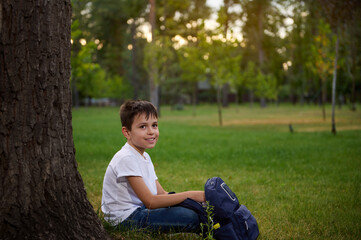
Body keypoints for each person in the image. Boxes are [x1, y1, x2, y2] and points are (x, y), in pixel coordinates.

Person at [101, 100, 205, 233]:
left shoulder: (145, 157)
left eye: (154, 125)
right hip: (125, 219)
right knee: (189, 217)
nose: (151, 132)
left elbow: (161, 194)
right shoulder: (126, 158)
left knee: (190, 209)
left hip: (141, 209)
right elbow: (151, 201)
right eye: (143, 127)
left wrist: (192, 202)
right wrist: (190, 194)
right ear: (127, 132)